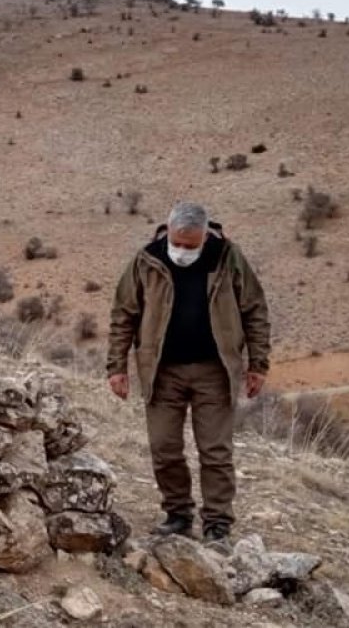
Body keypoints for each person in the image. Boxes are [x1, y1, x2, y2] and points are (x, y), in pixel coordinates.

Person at [107, 202, 270, 550]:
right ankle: (178, 515)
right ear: (168, 231)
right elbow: (124, 313)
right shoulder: (147, 259)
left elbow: (255, 309)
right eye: (177, 244)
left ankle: (217, 525)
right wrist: (116, 367)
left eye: (190, 246)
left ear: (205, 235)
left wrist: (258, 363)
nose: (181, 251)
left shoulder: (228, 258)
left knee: (215, 451)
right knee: (164, 447)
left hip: (215, 370)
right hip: (161, 371)